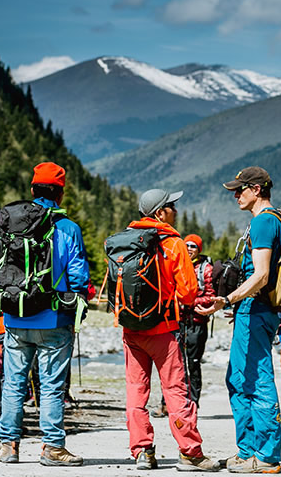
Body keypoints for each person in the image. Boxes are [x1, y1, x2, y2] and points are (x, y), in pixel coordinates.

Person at [0, 162, 89, 466]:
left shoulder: (14, 223)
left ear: (33, 190)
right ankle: (52, 447)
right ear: (60, 193)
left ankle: (8, 445)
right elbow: (78, 276)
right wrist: (78, 306)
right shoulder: (68, 228)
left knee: (13, 383)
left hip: (15, 315)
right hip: (54, 318)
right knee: (50, 385)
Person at [121, 188, 220, 472]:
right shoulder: (173, 243)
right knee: (176, 391)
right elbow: (189, 292)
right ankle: (190, 452)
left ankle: (142, 451)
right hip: (164, 329)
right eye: (172, 206)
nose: (176, 210)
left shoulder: (125, 241)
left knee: (135, 391)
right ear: (160, 212)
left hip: (131, 329)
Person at [198, 166, 281, 473]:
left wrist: (228, 299)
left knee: (256, 379)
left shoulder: (263, 222)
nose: (235, 195)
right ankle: (248, 450)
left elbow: (260, 274)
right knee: (239, 378)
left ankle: (265, 456)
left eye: (240, 189)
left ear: (257, 189)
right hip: (257, 311)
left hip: (255, 309)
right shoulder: (273, 220)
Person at [153, 233, 215, 418]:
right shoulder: (176, 263)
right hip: (175, 322)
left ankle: (193, 404)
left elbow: (210, 296)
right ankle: (167, 404)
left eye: (193, 246)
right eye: (186, 245)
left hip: (196, 323)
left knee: (193, 364)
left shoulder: (206, 269)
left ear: (199, 249)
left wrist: (189, 301)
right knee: (171, 365)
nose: (189, 249)